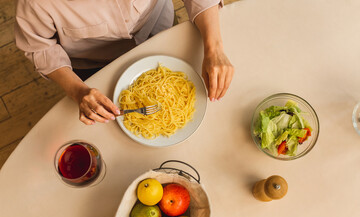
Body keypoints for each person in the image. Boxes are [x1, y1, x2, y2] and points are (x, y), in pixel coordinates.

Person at [15, 0, 234, 125]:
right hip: (94, 65)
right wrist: (78, 92)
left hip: (159, 27)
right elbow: (40, 47)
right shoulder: (35, 3)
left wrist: (214, 48)